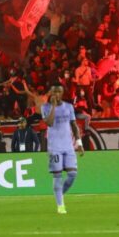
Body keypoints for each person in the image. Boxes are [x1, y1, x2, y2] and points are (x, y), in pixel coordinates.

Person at [40, 85, 84, 214]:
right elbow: (49, 123)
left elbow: (74, 125)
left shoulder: (69, 107)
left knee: (72, 175)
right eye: (54, 92)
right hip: (54, 148)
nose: (57, 94)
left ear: (63, 92)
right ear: (50, 93)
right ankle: (60, 206)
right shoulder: (45, 107)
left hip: (68, 146)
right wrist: (53, 106)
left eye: (59, 91)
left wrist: (79, 142)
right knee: (58, 176)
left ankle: (60, 194)